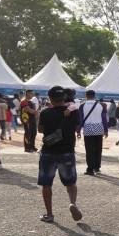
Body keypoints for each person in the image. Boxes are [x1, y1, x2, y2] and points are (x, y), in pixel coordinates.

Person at [36, 86, 83, 223]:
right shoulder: (73, 112)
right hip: (67, 152)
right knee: (71, 182)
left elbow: (40, 130)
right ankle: (72, 203)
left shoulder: (45, 112)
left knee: (46, 184)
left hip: (48, 152)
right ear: (64, 98)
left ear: (50, 98)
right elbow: (77, 126)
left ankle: (49, 214)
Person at [78, 90, 108, 175]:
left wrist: (78, 131)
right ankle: (97, 167)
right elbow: (104, 119)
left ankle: (90, 169)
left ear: (86, 96)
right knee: (98, 149)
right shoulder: (101, 105)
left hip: (88, 129)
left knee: (89, 150)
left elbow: (80, 119)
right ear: (94, 96)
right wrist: (106, 130)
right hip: (99, 128)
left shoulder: (82, 105)